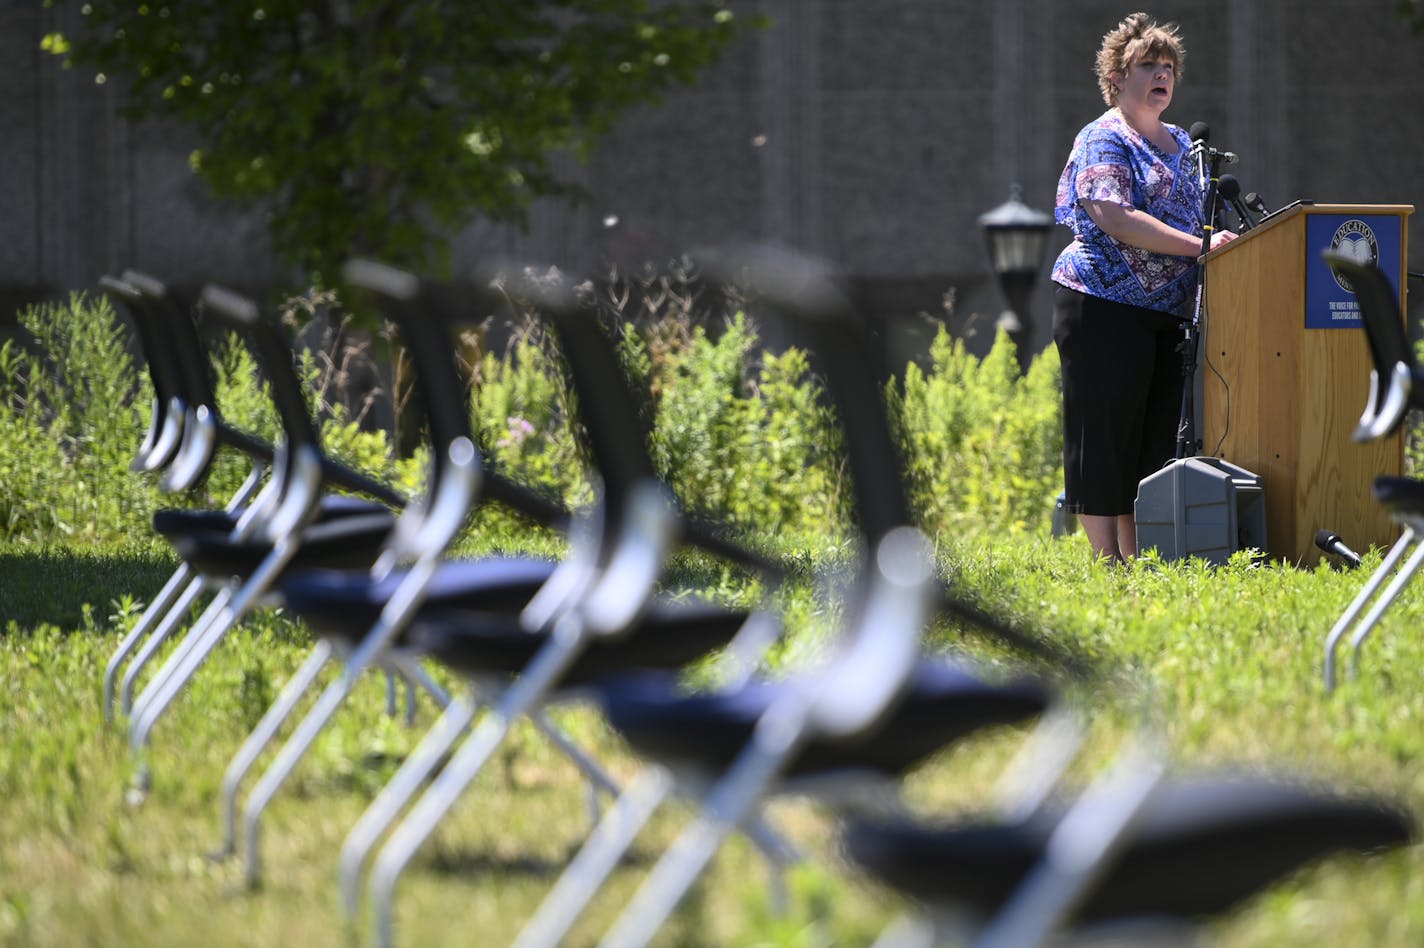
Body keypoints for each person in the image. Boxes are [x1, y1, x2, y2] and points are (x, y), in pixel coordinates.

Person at [1050, 11, 1235, 562]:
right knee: (1106, 437)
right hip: (1101, 308)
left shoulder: (1185, 144)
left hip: (1169, 315)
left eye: (1168, 67)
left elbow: (1210, 215)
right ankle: (1110, 568)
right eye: (1148, 66)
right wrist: (1199, 246)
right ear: (1116, 79)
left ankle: (1142, 560)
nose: (1162, 75)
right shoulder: (1102, 137)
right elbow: (1114, 215)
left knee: (1153, 445)